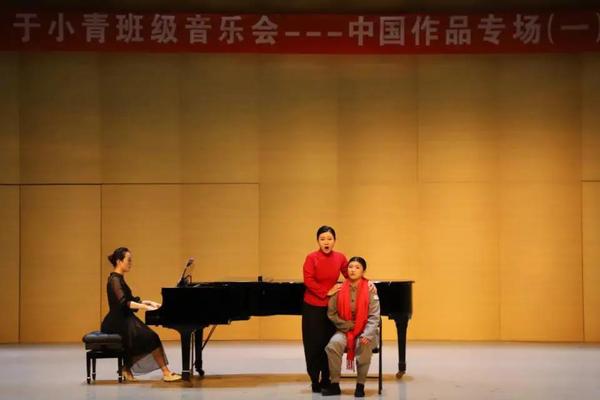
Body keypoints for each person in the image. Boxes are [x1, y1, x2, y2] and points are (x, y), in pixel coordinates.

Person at [101, 247, 181, 382]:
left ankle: (126, 368)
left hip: (124, 318)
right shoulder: (114, 280)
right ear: (119, 261)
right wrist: (145, 307)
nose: (130, 263)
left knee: (149, 338)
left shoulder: (119, 279)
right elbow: (124, 303)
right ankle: (166, 373)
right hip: (116, 322)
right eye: (128, 260)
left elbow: (131, 300)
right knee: (151, 337)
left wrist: (149, 302)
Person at [322, 256, 380, 398]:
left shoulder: (370, 289)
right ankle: (334, 385)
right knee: (333, 345)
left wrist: (367, 334)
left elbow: (374, 316)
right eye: (350, 267)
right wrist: (346, 325)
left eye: (357, 267)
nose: (353, 270)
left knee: (364, 345)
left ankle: (360, 385)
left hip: (366, 331)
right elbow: (331, 313)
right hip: (344, 330)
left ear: (363, 271)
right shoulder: (339, 289)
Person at [302, 226, 349, 393]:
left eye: (329, 239)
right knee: (313, 344)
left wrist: (367, 282)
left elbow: (351, 274)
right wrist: (326, 291)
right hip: (312, 306)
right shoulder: (311, 258)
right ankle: (314, 379)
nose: (326, 242)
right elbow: (308, 280)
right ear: (318, 241)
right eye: (322, 239)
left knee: (328, 344)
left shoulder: (340, 257)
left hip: (331, 307)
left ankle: (327, 378)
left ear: (334, 240)